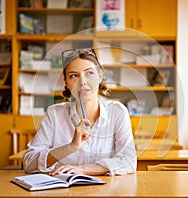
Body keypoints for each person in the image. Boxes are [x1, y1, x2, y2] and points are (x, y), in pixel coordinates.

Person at [23, 48, 137, 176]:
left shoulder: (117, 112)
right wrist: (71, 147)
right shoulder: (55, 113)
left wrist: (83, 169)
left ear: (100, 76)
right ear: (66, 82)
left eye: (89, 73)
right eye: (73, 75)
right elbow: (29, 162)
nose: (82, 82)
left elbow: (128, 161)